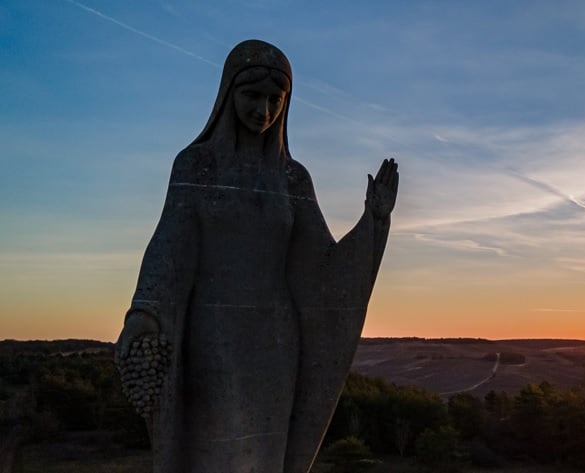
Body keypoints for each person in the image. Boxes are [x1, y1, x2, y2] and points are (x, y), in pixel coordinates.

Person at [115, 39, 397, 473]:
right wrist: (146, 312)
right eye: (252, 96)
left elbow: (323, 267)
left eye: (275, 100)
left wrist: (372, 222)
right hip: (212, 339)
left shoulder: (292, 178)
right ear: (228, 94)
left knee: (265, 453)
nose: (263, 111)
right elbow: (169, 244)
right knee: (213, 447)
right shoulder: (196, 166)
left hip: (276, 346)